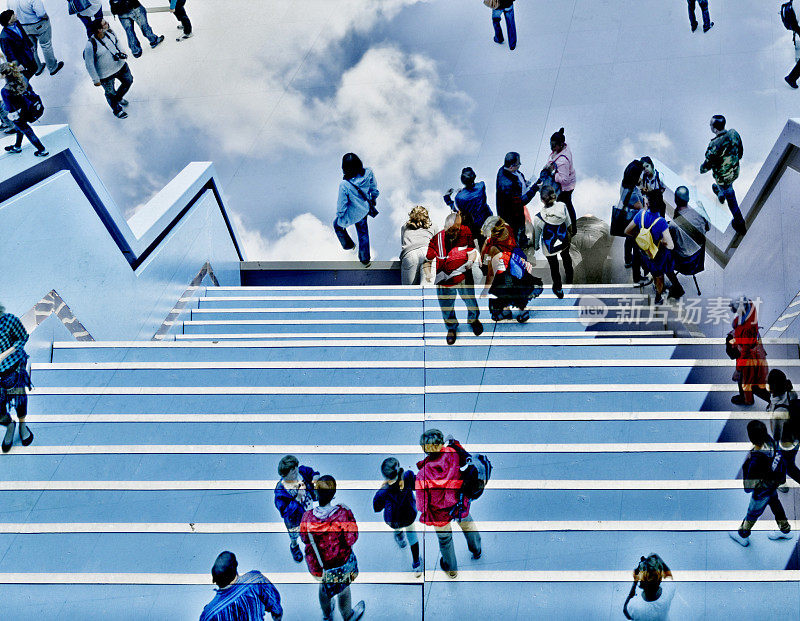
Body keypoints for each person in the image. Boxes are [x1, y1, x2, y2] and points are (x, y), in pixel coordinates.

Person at [415, 429, 482, 578]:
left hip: (439, 514)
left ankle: (451, 570)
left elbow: (421, 506)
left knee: (445, 540)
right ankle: (476, 550)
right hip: (459, 503)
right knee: (468, 525)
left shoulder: (422, 475)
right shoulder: (453, 452)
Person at [300, 475, 365, 621]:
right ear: (334, 495)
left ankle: (327, 615)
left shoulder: (307, 517)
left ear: (316, 493)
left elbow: (304, 538)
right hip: (342, 563)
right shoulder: (343, 514)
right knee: (343, 590)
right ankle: (348, 616)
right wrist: (349, 513)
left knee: (324, 589)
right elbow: (352, 538)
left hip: (321, 566)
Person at [729, 420, 793, 546]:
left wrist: (746, 466)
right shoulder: (772, 443)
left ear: (751, 439)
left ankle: (743, 534)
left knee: (752, 513)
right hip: (772, 486)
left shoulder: (755, 461)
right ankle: (785, 530)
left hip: (761, 492)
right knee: (776, 506)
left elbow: (748, 488)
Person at [423, 212, 483, 345]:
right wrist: (428, 274)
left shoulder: (465, 232)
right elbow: (427, 261)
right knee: (446, 305)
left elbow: (472, 251)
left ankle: (473, 320)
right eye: (452, 230)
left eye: (457, 229)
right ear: (445, 228)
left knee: (471, 301)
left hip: (463, 274)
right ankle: (451, 328)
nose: (455, 232)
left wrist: (471, 262)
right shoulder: (436, 240)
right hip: (444, 278)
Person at [482, 219, 543, 322]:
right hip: (516, 268)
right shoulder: (507, 228)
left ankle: (506, 312)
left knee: (500, 293)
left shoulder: (494, 248)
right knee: (518, 292)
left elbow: (491, 272)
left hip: (503, 274)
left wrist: (485, 288)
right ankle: (523, 312)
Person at [199, 552, 283, 621]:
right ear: (236, 565)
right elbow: (277, 610)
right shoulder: (257, 581)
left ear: (215, 580)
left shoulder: (209, 614)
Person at [373, 457, 421, 576]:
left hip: (393, 519)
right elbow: (417, 486)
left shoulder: (383, 492)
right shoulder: (408, 476)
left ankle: (400, 538)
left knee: (397, 528)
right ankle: (416, 563)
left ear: (385, 476)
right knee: (413, 537)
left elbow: (377, 508)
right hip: (409, 514)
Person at [624, 196, 675, 306]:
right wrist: (661, 241)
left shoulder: (640, 214)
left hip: (643, 252)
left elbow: (627, 231)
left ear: (647, 204)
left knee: (650, 267)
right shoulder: (661, 222)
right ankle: (658, 297)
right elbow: (670, 245)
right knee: (659, 275)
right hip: (655, 255)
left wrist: (639, 237)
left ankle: (650, 276)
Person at [700, 115, 746, 235]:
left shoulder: (714, 145)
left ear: (714, 129)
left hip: (723, 178)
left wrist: (702, 169)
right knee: (724, 187)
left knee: (731, 198)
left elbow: (707, 165)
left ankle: (740, 224)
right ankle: (720, 193)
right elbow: (740, 150)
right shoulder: (733, 133)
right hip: (734, 171)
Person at [334, 153, 378, 267]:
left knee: (337, 225)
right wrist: (373, 198)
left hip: (352, 213)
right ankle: (365, 260)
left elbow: (341, 206)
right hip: (364, 209)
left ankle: (349, 245)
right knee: (363, 233)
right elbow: (374, 188)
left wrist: (341, 216)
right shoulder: (368, 172)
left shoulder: (345, 184)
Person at [274, 454, 320, 563]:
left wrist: (315, 477)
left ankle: (311, 545)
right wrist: (296, 499)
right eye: (293, 472)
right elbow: (284, 511)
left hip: (308, 510)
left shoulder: (301, 472)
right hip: (294, 520)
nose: (296, 472)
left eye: (296, 469)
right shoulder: (281, 489)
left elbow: (311, 472)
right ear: (285, 475)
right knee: (294, 535)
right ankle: (294, 546)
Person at [83, 18, 133, 119]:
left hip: (120, 66)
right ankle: (117, 110)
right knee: (110, 93)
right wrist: (95, 79)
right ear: (99, 30)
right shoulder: (90, 45)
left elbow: (117, 41)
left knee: (128, 81)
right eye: (105, 24)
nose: (108, 24)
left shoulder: (110, 32)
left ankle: (118, 98)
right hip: (106, 74)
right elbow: (89, 64)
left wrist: (122, 52)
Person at [0, 303, 33, 452]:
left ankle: (22, 425)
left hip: (13, 368)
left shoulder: (8, 321)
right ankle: (10, 426)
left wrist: (3, 355)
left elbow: (22, 338)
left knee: (19, 399)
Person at [532, 185, 573, 299]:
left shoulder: (538, 218)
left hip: (549, 246)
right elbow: (568, 222)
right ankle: (570, 278)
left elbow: (537, 235)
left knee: (554, 267)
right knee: (566, 257)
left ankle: (558, 288)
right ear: (554, 196)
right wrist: (569, 235)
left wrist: (536, 247)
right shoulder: (562, 206)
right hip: (563, 239)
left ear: (542, 200)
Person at [728, 296, 770, 406]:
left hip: (749, 355)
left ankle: (748, 399)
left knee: (747, 381)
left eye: (733, 307)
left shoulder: (746, 330)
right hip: (754, 348)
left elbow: (745, 352)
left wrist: (738, 370)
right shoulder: (750, 305)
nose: (730, 308)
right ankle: (746, 397)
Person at [0, 62, 47, 156]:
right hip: (28, 109)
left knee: (27, 131)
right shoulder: (23, 78)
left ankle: (42, 150)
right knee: (20, 129)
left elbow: (9, 108)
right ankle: (17, 147)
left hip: (18, 114)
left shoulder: (5, 90)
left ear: (4, 75)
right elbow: (31, 90)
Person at [7, 0, 63, 77]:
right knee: (46, 45)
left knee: (32, 47)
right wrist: (46, 16)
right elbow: (41, 13)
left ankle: (38, 68)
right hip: (38, 25)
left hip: (24, 27)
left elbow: (11, 15)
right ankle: (52, 67)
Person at [765, 369, 800, 489]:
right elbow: (795, 397)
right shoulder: (789, 393)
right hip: (795, 437)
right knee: (786, 463)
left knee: (789, 467)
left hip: (786, 444)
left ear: (771, 388)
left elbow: (776, 435)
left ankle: (781, 482)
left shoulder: (779, 412)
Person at [444, 166, 493, 246]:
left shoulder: (459, 197)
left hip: (475, 226)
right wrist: (463, 191)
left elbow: (456, 208)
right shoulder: (481, 186)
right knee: (491, 241)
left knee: (482, 244)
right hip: (487, 218)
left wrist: (447, 198)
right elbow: (473, 192)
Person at [496, 151, 537, 247]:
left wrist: (526, 183)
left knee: (519, 227)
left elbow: (517, 179)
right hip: (512, 214)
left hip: (514, 208)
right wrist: (535, 188)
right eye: (518, 164)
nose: (520, 166)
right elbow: (522, 201)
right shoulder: (507, 184)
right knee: (517, 229)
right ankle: (519, 246)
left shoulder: (505, 170)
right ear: (511, 166)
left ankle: (521, 240)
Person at [618, 160, 649, 287]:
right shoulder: (633, 194)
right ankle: (637, 277)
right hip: (634, 221)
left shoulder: (624, 184)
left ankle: (627, 260)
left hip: (626, 218)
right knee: (637, 250)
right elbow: (642, 209)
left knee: (628, 239)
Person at [623, 554, 675, 621]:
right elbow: (668, 575)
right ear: (660, 579)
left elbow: (626, 612)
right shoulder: (668, 591)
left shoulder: (634, 606)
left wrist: (635, 581)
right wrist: (656, 558)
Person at [546, 128, 577, 235]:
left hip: (565, 188)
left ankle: (569, 229)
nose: (552, 148)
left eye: (554, 146)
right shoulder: (562, 148)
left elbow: (564, 180)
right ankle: (573, 227)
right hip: (570, 182)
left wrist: (553, 173)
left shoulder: (563, 161)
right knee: (568, 205)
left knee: (565, 205)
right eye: (551, 144)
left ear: (561, 144)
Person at [400, 206, 433, 286]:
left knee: (409, 292)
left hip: (410, 254)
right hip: (428, 252)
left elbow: (403, 243)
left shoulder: (404, 227)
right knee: (427, 289)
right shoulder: (433, 226)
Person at [0, 10, 37, 79]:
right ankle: (25, 86)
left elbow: (24, 34)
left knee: (34, 67)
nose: (16, 15)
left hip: (27, 53)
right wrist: (17, 65)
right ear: (9, 21)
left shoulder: (16, 22)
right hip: (21, 60)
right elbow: (9, 54)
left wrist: (30, 44)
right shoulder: (4, 37)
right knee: (25, 76)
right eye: (13, 15)